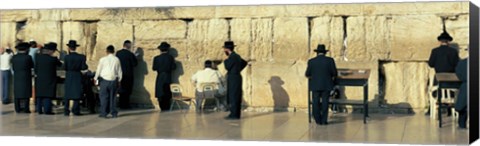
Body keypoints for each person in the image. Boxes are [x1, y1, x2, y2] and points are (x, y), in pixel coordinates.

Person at [427, 30, 459, 116]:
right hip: (451, 80)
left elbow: (431, 64)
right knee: (453, 91)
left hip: (438, 79)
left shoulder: (435, 51)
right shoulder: (453, 51)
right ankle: (451, 109)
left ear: (440, 41)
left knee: (434, 89)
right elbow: (457, 64)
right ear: (448, 41)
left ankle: (433, 108)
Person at [305, 44, 338, 125]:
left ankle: (317, 120)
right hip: (326, 84)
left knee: (315, 102)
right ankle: (324, 120)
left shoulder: (311, 61)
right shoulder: (330, 60)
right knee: (325, 102)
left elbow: (307, 74)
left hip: (315, 85)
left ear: (317, 52)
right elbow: (334, 73)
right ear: (325, 52)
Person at [95, 45, 122, 118]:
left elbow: (98, 70)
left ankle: (104, 112)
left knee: (103, 97)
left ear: (106, 51)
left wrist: (95, 78)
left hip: (104, 80)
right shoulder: (117, 59)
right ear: (113, 51)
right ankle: (113, 113)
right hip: (113, 80)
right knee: (113, 97)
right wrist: (119, 80)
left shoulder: (102, 59)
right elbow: (119, 71)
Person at [34, 42, 62, 115]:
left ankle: (39, 110)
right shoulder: (53, 59)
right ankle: (47, 110)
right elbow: (60, 64)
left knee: (39, 95)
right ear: (51, 51)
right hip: (49, 79)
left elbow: (36, 68)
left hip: (39, 79)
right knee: (47, 95)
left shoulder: (38, 57)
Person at [222, 41, 248, 120]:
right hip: (237, 76)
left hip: (233, 77)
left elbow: (227, 67)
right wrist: (238, 69)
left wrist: (225, 61)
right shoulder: (237, 56)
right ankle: (236, 114)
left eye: (224, 49)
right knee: (236, 94)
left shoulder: (232, 57)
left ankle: (233, 115)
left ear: (227, 49)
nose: (224, 51)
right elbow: (244, 62)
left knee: (233, 95)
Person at [64, 40, 89, 116]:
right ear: (76, 48)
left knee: (67, 93)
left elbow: (65, 67)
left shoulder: (66, 57)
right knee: (77, 92)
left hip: (69, 75)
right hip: (77, 75)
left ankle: (66, 110)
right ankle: (75, 110)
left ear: (69, 48)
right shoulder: (81, 57)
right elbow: (84, 67)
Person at [153, 42, 176, 112]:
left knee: (160, 91)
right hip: (167, 76)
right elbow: (174, 67)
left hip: (160, 76)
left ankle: (162, 107)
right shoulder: (170, 57)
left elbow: (154, 68)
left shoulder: (156, 58)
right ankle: (167, 107)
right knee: (167, 92)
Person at [11, 42, 34, 113]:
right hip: (26, 76)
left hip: (17, 76)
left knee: (17, 93)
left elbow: (13, 67)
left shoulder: (14, 57)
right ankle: (26, 108)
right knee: (26, 93)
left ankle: (17, 108)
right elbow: (32, 65)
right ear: (26, 49)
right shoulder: (28, 57)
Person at [116, 40, 138, 109]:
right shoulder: (130, 54)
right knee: (127, 91)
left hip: (119, 74)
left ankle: (121, 104)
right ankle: (126, 105)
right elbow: (134, 64)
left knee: (121, 90)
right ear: (129, 46)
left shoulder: (118, 53)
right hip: (128, 74)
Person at [455, 56, 467, 129]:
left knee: (463, 105)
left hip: (465, 86)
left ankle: (462, 124)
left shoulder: (462, 63)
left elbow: (459, 74)